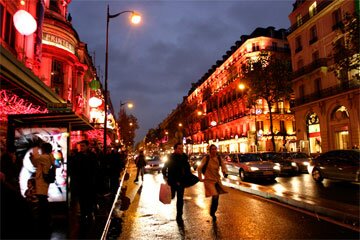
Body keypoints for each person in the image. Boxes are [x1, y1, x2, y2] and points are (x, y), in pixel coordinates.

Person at [29, 142, 56, 237]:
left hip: (42, 180)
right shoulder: (50, 156)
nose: (41, 149)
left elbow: (35, 159)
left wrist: (33, 152)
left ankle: (46, 220)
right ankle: (46, 220)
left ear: (44, 149)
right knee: (43, 199)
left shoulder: (44, 157)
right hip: (44, 180)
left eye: (42, 148)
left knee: (42, 200)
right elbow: (36, 162)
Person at [162, 143, 192, 223]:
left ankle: (179, 215)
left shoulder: (184, 157)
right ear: (175, 149)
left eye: (182, 148)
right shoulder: (171, 157)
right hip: (172, 180)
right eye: (179, 148)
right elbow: (164, 168)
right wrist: (166, 177)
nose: (181, 150)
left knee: (180, 199)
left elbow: (187, 168)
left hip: (181, 181)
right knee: (172, 196)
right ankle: (171, 195)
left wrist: (189, 177)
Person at [70, 140, 98, 223]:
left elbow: (95, 169)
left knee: (88, 198)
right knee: (82, 199)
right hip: (80, 182)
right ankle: (83, 213)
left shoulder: (92, 156)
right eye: (80, 146)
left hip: (89, 182)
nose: (81, 147)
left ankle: (89, 213)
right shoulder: (77, 156)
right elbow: (74, 169)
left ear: (87, 146)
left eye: (83, 146)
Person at [197, 144, 228, 221]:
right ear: (210, 150)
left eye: (215, 149)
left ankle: (213, 211)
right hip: (208, 180)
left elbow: (223, 166)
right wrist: (200, 177)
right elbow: (199, 168)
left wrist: (224, 172)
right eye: (212, 149)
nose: (214, 150)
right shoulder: (206, 158)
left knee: (217, 197)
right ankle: (212, 212)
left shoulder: (219, 158)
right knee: (215, 195)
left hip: (216, 179)